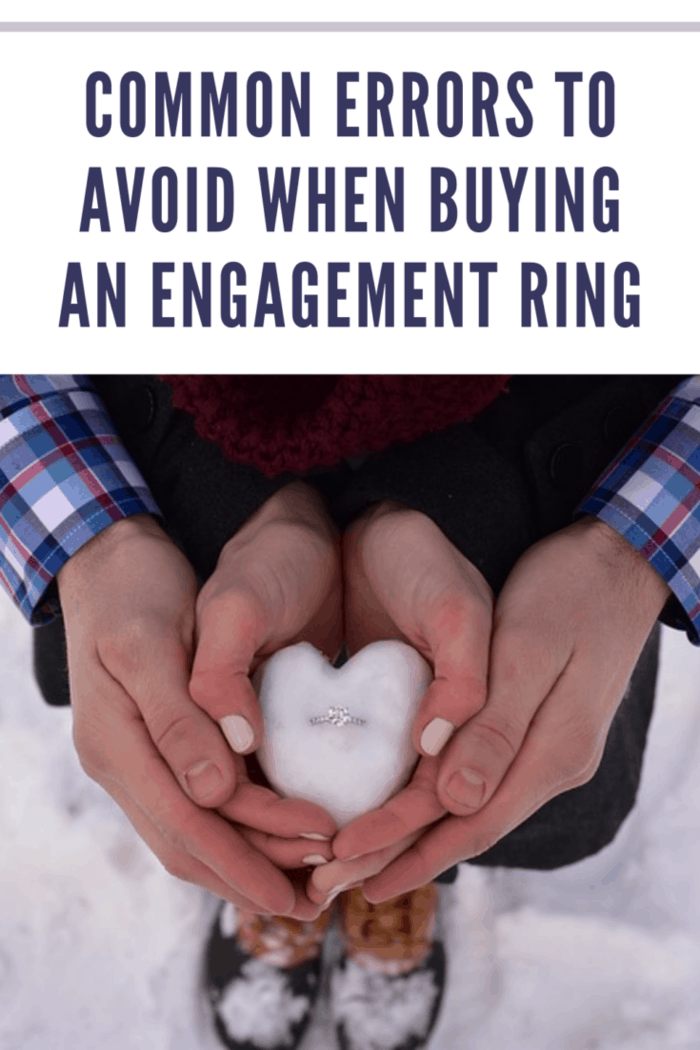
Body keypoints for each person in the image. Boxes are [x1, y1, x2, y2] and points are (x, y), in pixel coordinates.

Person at [1, 373, 699, 1050]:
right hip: (183, 453)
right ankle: (284, 872)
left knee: (482, 753)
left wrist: (624, 551)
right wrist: (101, 537)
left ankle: (384, 879)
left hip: (537, 471)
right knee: (208, 723)